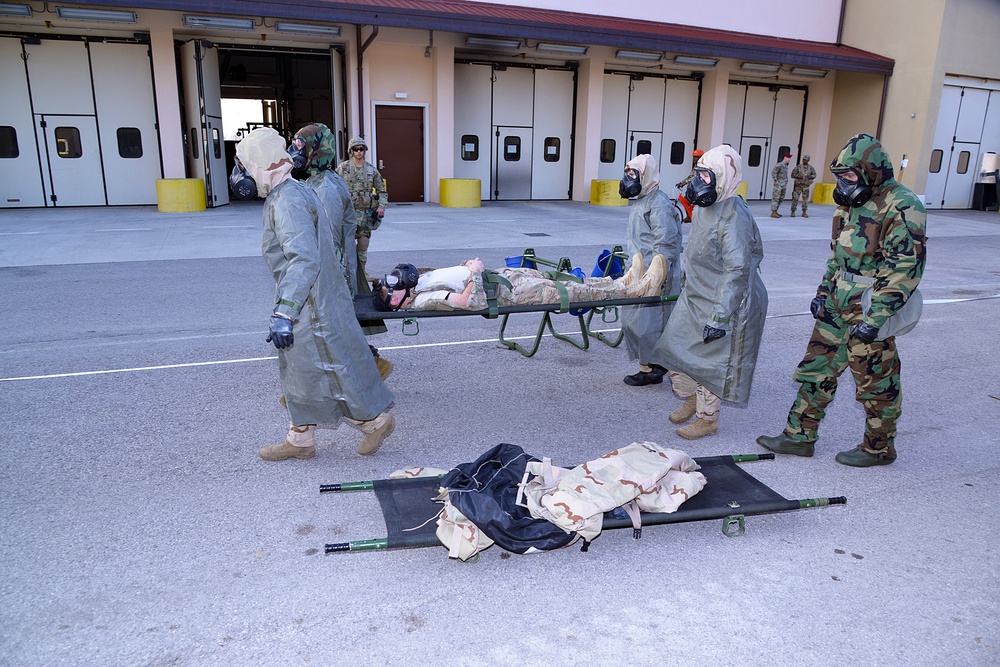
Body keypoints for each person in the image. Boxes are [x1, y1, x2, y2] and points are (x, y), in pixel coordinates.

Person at [756, 133, 926, 467]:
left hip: (870, 305)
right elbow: (836, 256)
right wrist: (822, 294)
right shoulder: (849, 203)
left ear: (870, 172)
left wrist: (875, 320)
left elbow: (904, 268)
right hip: (837, 302)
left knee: (876, 381)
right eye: (839, 178)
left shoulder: (904, 205)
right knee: (816, 368)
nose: (842, 185)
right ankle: (798, 437)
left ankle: (879, 449)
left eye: (848, 177)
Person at [234, 127, 396, 461]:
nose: (242, 174)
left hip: (310, 302)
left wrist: (284, 312)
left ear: (260, 167)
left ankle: (374, 422)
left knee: (328, 370)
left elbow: (304, 259)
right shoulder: (292, 191)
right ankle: (300, 439)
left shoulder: (289, 202)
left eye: (245, 166)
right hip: (310, 296)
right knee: (299, 370)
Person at [649, 144, 768, 440]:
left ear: (725, 179)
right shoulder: (706, 206)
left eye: (706, 177)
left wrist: (720, 317)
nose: (698, 184)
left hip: (725, 299)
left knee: (710, 360)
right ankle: (693, 395)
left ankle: (707, 418)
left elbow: (738, 270)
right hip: (697, 293)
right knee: (675, 347)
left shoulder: (734, 216)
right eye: (697, 176)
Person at [288, 124, 392, 380]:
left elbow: (330, 240)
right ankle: (364, 368)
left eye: (300, 145)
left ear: (316, 149)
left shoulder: (326, 188)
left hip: (331, 273)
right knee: (332, 330)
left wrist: (321, 279)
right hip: (329, 271)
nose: (294, 152)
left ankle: (352, 379)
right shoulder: (324, 180)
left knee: (330, 328)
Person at [371, 254, 666, 312]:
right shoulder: (422, 300)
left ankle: (621, 281)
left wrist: (466, 267)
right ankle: (636, 291)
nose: (395, 281)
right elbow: (469, 303)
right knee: (571, 292)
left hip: (502, 278)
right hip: (506, 292)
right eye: (391, 286)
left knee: (567, 280)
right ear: (395, 299)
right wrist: (474, 270)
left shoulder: (420, 285)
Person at [618, 155, 683, 387]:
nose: (629, 179)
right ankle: (649, 364)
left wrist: (657, 276)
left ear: (646, 175)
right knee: (632, 321)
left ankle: (654, 368)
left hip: (656, 275)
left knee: (649, 324)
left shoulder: (659, 203)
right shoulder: (641, 200)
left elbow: (666, 244)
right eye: (628, 173)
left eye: (634, 174)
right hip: (639, 272)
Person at [337, 136, 388, 282]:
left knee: (363, 243)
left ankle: (362, 273)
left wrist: (381, 206)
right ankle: (343, 273)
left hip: (365, 214)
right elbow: (333, 189)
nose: (359, 152)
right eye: (355, 149)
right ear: (351, 151)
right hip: (347, 214)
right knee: (344, 245)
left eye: (361, 149)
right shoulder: (343, 168)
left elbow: (381, 191)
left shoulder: (372, 170)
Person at [675, 149, 704, 223]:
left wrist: (684, 183)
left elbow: (695, 178)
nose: (694, 159)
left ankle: (692, 217)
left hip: (699, 188)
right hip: (694, 187)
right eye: (694, 157)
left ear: (701, 157)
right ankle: (689, 216)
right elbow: (690, 176)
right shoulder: (696, 165)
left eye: (696, 157)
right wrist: (681, 182)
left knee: (690, 201)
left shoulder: (702, 166)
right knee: (686, 200)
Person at [770, 152, 792, 218]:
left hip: (783, 184)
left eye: (789, 158)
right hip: (778, 184)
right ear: (785, 157)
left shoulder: (785, 166)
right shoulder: (779, 165)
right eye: (788, 158)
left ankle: (776, 210)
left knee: (781, 198)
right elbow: (773, 172)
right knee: (776, 198)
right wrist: (775, 180)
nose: (789, 159)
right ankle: (773, 212)